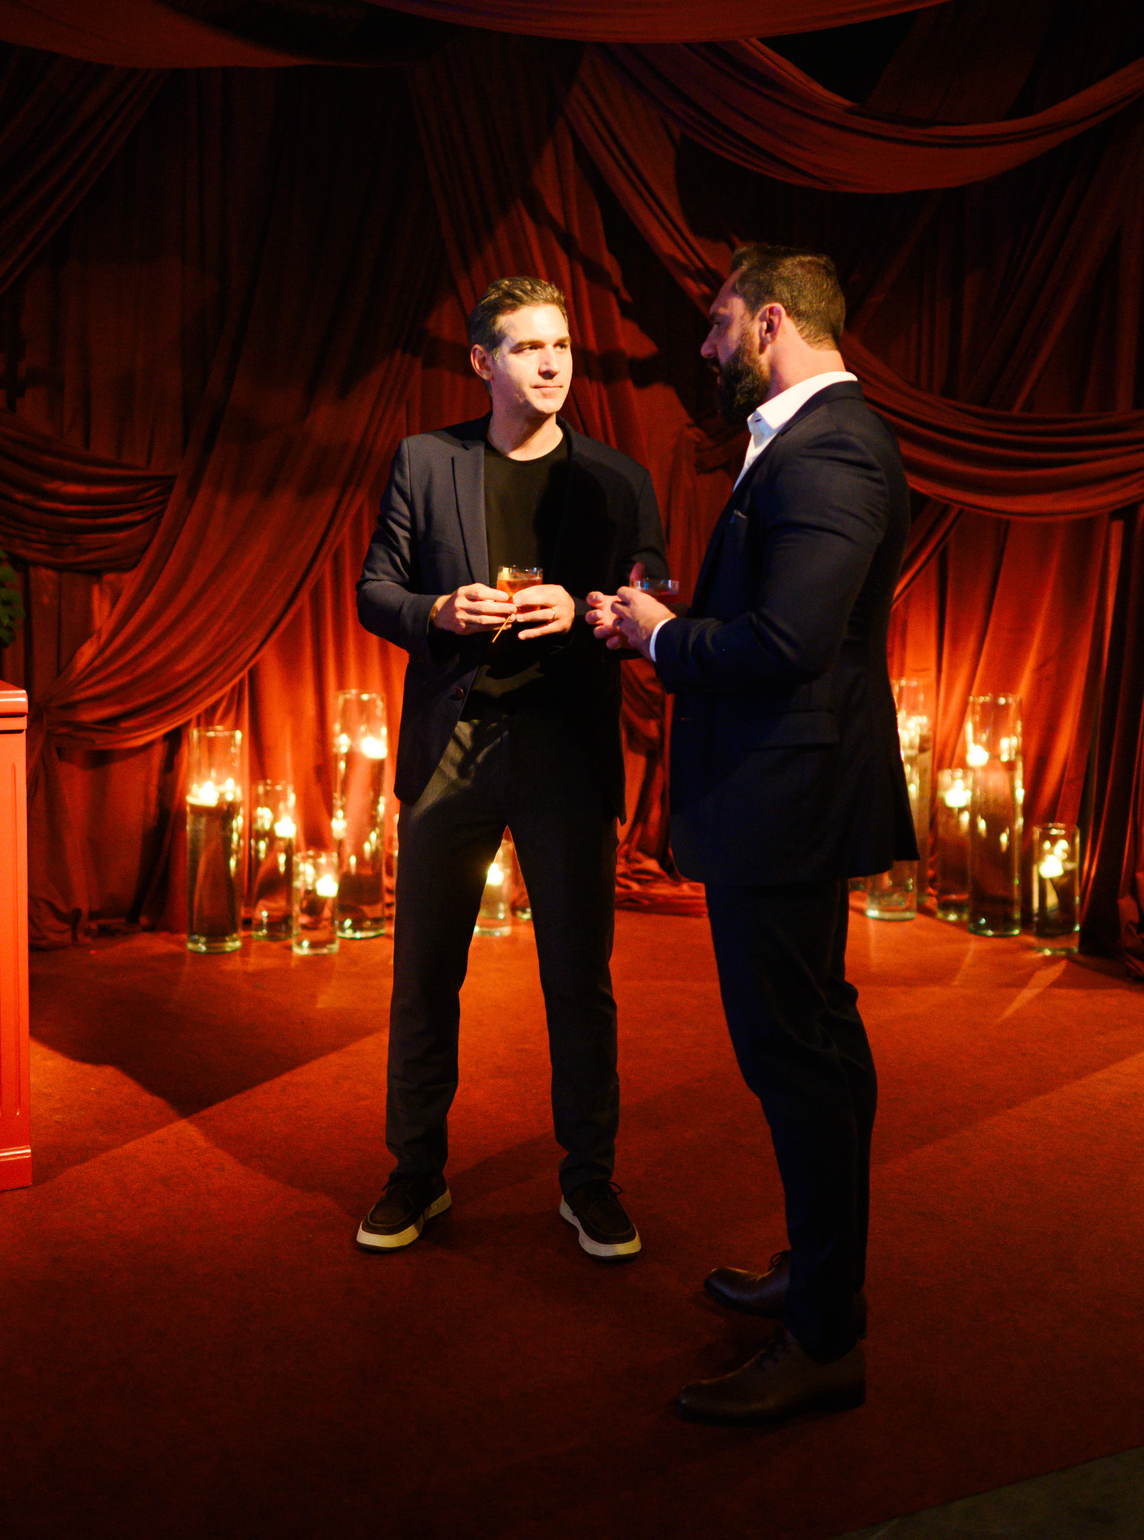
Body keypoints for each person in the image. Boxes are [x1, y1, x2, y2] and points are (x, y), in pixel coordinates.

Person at [592, 245, 916, 1424]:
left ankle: (825, 1336)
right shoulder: (809, 439)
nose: (707, 344)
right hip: (789, 791)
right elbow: (783, 620)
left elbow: (789, 643)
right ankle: (821, 1278)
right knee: (816, 1041)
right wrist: (669, 618)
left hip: (787, 799)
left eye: (720, 323)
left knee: (796, 1054)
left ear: (772, 320)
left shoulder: (830, 445)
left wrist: (658, 636)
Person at [355, 275, 667, 1261]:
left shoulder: (616, 475)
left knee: (578, 978)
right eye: (528, 347)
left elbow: (655, 585)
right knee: (425, 975)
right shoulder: (425, 459)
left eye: (561, 346)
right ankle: (416, 1171)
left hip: (565, 750)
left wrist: (589, 608)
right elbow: (375, 589)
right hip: (452, 747)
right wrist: (437, 612)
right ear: (482, 362)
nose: (550, 364)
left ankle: (589, 1179)